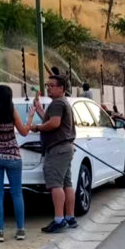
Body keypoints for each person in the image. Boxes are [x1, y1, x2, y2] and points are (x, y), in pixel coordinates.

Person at [0, 85, 34, 242]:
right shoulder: (11, 112)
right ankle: (20, 230)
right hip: (13, 157)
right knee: (16, 193)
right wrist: (30, 118)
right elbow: (24, 131)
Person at [31, 75, 77, 233]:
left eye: (52, 85)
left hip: (57, 149)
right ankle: (70, 217)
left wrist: (36, 128)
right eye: (47, 85)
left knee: (56, 184)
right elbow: (51, 119)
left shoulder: (57, 103)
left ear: (61, 88)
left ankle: (59, 219)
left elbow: (54, 123)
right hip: (66, 148)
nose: (48, 88)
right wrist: (39, 111)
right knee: (66, 183)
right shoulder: (63, 102)